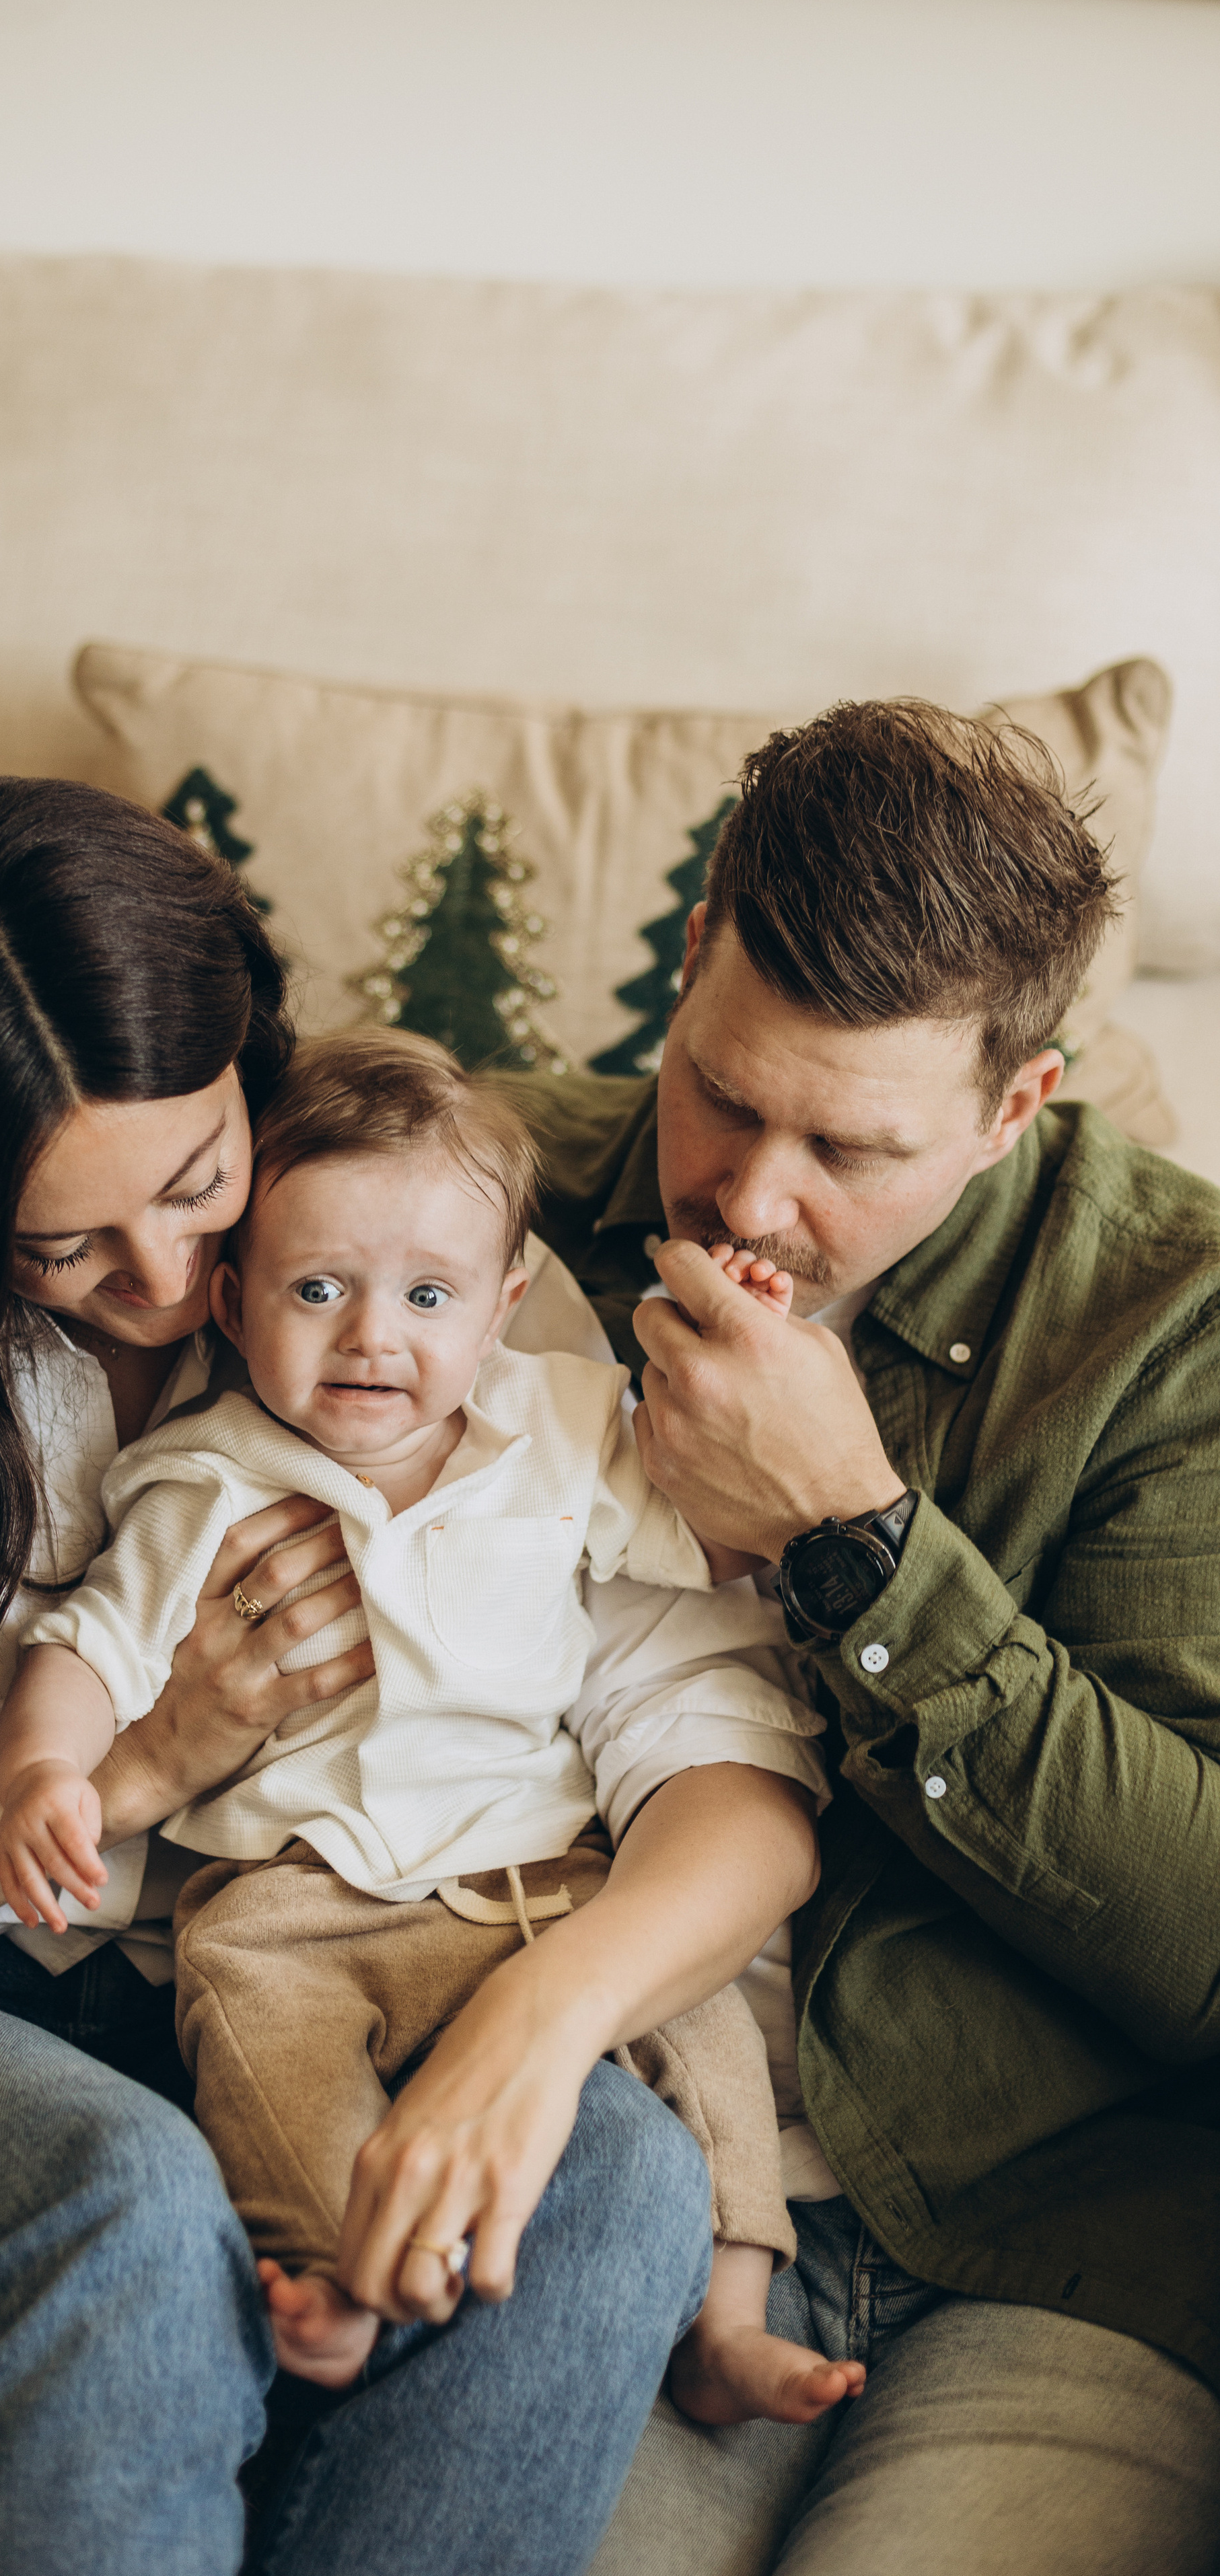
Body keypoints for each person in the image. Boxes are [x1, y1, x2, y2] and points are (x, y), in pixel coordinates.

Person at [0, 778, 822, 2576]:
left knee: (602, 2181)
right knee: (126, 2216)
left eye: (199, 1185)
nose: (165, 1281)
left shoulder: (413, 1256)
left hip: (208, 1996)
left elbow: (696, 1725)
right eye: (59, 1244)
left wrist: (536, 2036)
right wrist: (136, 1763)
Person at [505, 702, 1220, 2576]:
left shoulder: (1178, 1332)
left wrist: (861, 1548)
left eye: (852, 1145)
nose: (751, 1199)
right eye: (725, 1093)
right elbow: (64, 1187)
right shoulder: (472, 1203)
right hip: (649, 2189)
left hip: (1062, 2254)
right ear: (684, 969)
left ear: (1016, 1108)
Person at [0, 1026, 850, 2420]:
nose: (371, 1337)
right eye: (316, 1288)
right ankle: (323, 2272)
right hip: (291, 1898)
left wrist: (748, 1345)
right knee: (256, 2045)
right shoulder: (205, 1476)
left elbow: (724, 1540)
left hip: (548, 1888)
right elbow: (84, 1642)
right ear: (230, 1302)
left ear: (505, 1302)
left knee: (700, 2011)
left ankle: (727, 2312)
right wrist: (45, 1768)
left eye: (427, 1295)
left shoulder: (564, 1429)